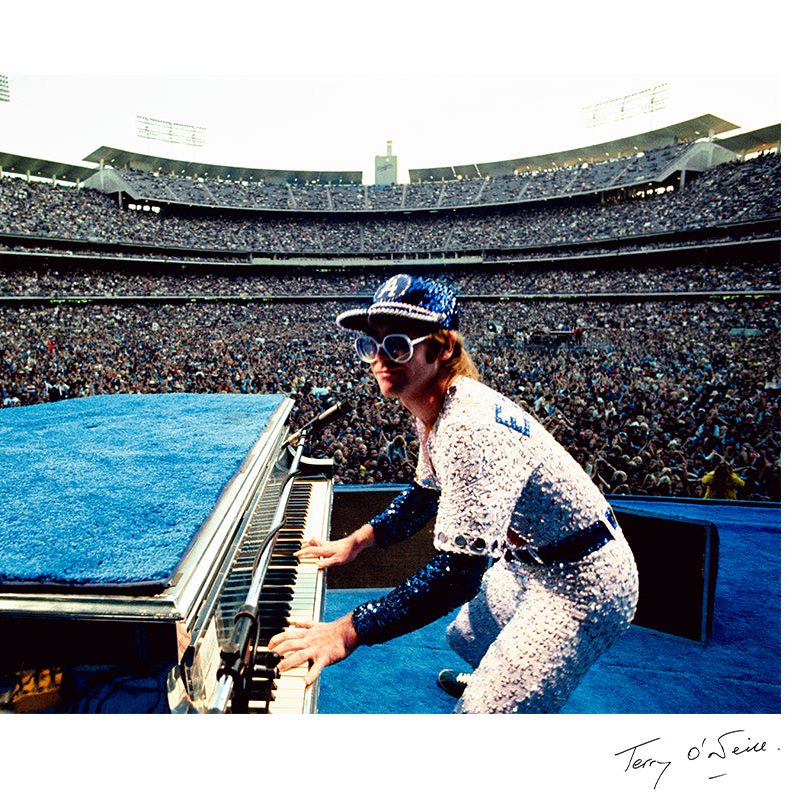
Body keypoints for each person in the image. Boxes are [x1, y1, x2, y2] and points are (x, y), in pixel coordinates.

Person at [269, 274, 640, 713]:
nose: (381, 361)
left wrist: (349, 630)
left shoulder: (467, 426)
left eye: (398, 346)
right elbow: (424, 494)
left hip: (583, 580)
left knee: (481, 716)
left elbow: (458, 574)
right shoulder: (431, 403)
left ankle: (507, 698)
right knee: (463, 636)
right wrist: (358, 541)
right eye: (373, 346)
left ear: (442, 348)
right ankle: (503, 677)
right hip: (529, 560)